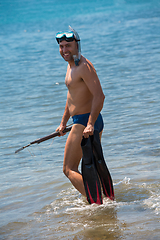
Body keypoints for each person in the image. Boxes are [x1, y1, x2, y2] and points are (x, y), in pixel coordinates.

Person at [55, 27, 105, 197]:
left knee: (68, 169)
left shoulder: (84, 66)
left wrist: (90, 124)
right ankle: (102, 198)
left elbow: (99, 96)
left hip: (85, 121)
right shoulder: (71, 66)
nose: (64, 50)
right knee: (91, 167)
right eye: (61, 46)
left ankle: (97, 202)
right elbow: (71, 98)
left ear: (77, 45)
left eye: (68, 46)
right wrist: (63, 123)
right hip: (85, 121)